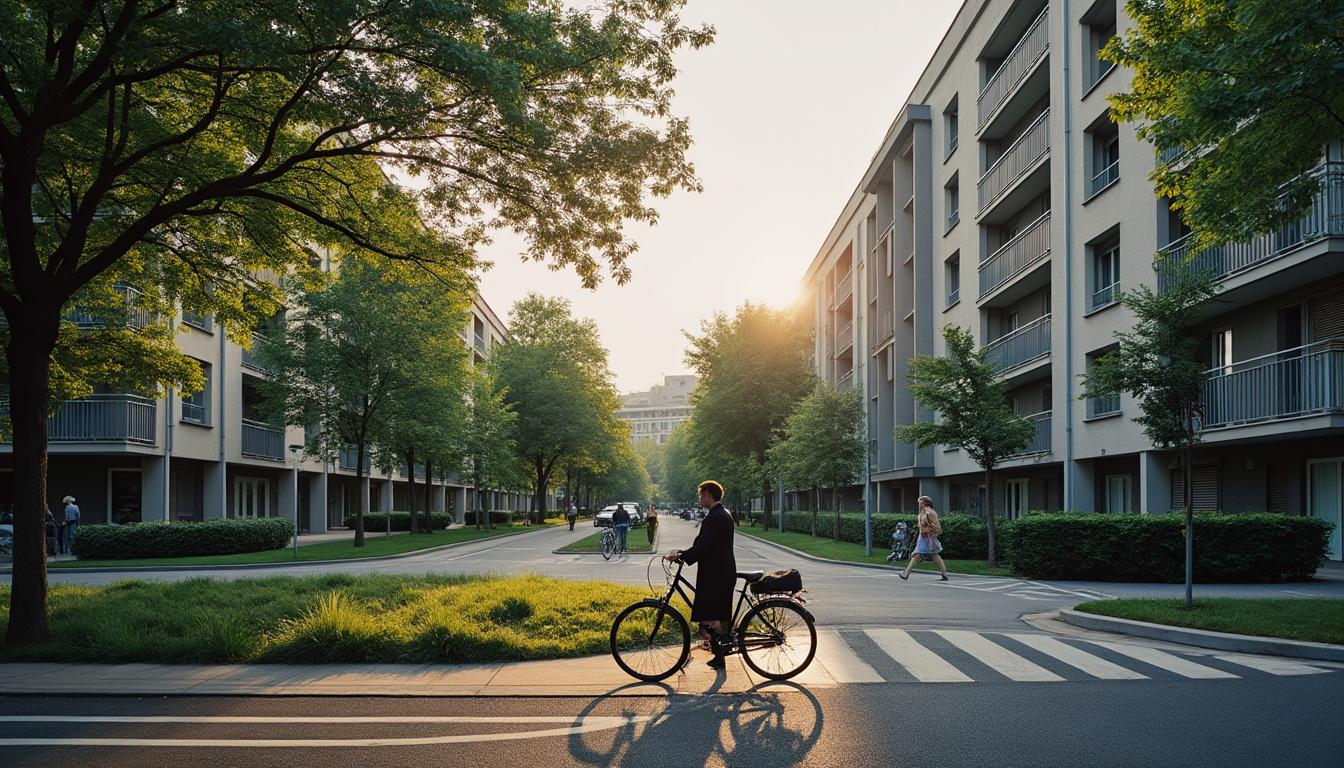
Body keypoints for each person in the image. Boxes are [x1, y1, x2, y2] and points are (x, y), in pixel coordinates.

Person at [665, 480, 737, 669]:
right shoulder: (719, 514)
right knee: (712, 614)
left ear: (708, 495)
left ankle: (720, 653)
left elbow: (704, 545)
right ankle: (718, 653)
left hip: (717, 575)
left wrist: (682, 556)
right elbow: (704, 544)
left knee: (714, 615)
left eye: (700, 495)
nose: (699, 498)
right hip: (717, 572)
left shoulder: (716, 516)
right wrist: (684, 553)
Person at [900, 495, 949, 581]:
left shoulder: (930, 512)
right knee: (931, 555)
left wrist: (927, 528)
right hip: (923, 537)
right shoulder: (923, 512)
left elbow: (937, 527)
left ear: (926, 503)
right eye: (919, 503)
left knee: (918, 555)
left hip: (928, 537)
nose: (919, 504)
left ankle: (906, 573)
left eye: (921, 503)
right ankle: (944, 574)